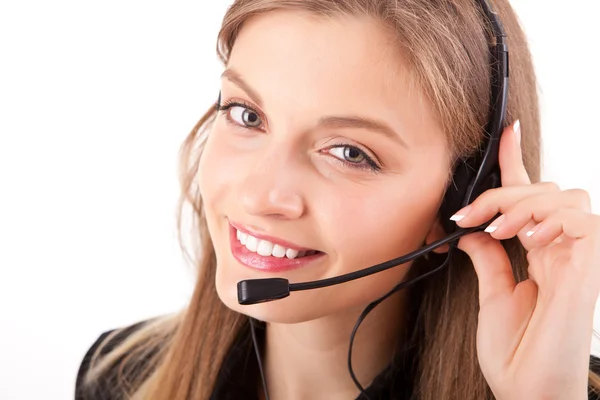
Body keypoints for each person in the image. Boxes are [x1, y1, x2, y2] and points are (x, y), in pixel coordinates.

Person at [75, 0, 600, 399]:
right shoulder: (121, 377)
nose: (262, 195)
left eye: (349, 152)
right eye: (247, 115)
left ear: (464, 198)